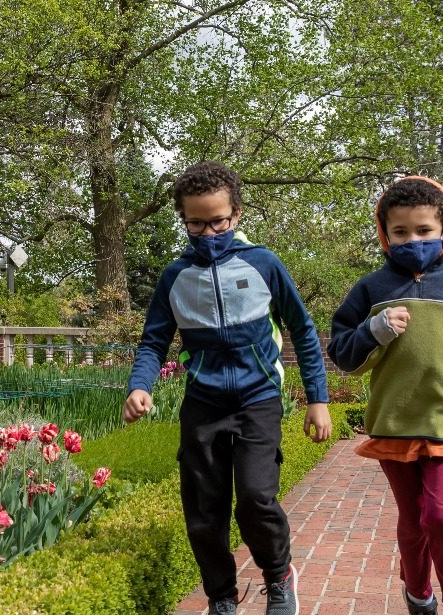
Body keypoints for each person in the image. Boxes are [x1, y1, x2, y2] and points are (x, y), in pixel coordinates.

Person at [124, 160, 332, 615]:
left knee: (257, 497)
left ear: (236, 215)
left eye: (218, 221)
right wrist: (139, 386)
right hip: (203, 404)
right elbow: (153, 340)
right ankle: (222, 597)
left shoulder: (263, 264)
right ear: (183, 218)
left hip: (258, 399)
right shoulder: (174, 276)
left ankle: (279, 576)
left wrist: (318, 399)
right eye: (196, 223)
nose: (208, 231)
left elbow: (304, 328)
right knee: (204, 513)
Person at [327, 176, 443, 615]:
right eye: (401, 233)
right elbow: (343, 355)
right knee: (413, 524)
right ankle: (418, 596)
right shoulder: (371, 290)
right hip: (394, 422)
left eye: (424, 231)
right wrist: (374, 330)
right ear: (385, 234)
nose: (413, 241)